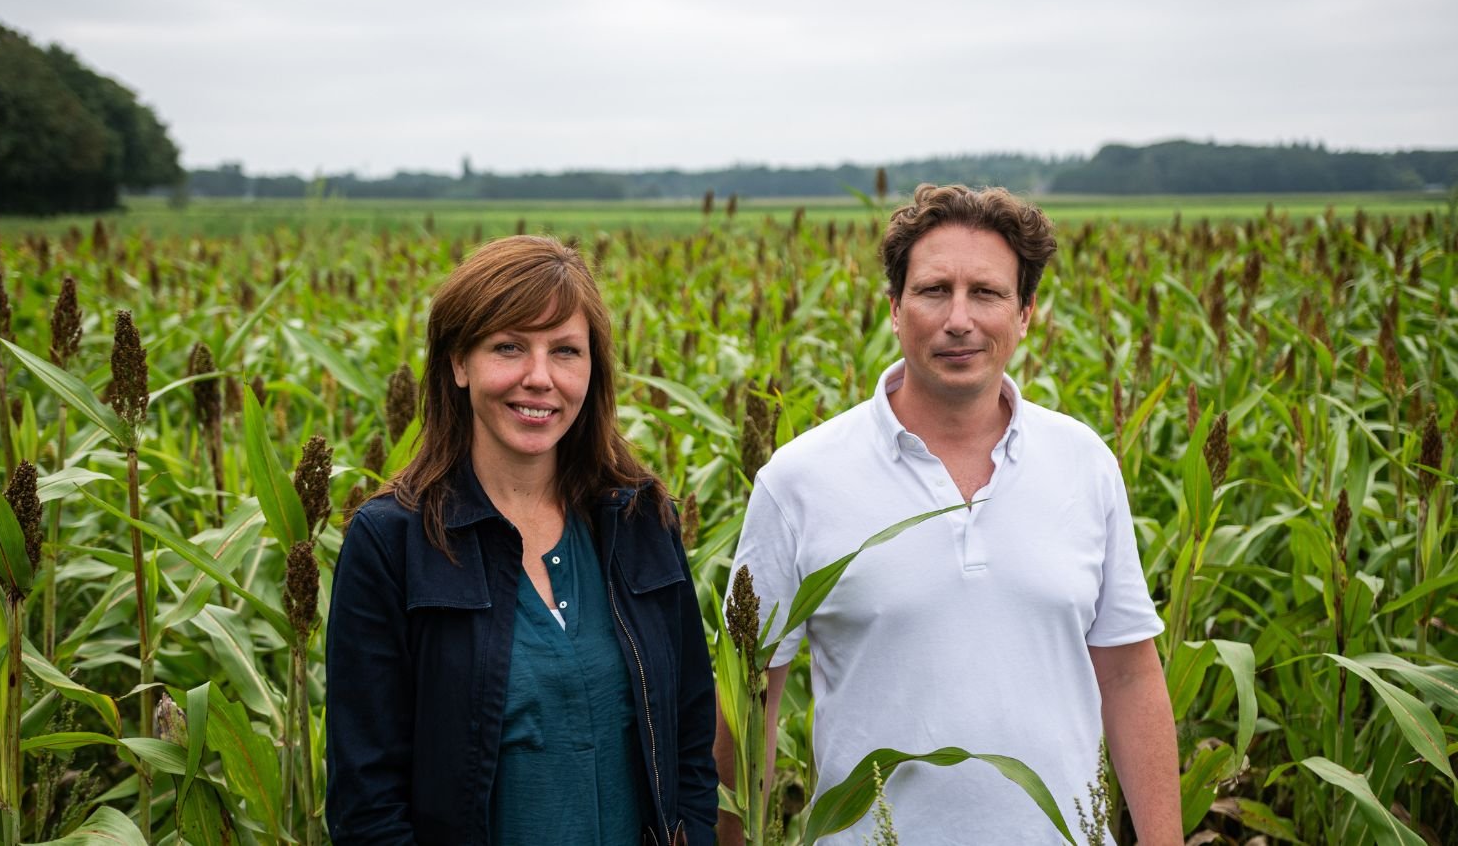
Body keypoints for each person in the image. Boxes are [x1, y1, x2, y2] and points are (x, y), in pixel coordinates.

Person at [716, 185, 1180, 843]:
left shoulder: (1084, 464)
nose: (958, 319)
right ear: (895, 308)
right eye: (934, 291)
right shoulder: (800, 481)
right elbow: (747, 695)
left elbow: (1131, 676)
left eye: (986, 294)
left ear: (1025, 314)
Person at [327, 235, 717, 845]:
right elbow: (367, 801)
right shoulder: (392, 544)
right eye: (508, 347)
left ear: (592, 369)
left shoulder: (640, 518)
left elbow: (691, 735)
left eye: (565, 351)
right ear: (459, 363)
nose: (540, 378)